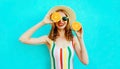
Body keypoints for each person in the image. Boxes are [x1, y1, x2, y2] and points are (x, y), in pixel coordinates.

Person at [19, 5, 89, 69]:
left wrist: (80, 38)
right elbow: (23, 39)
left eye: (64, 18)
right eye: (58, 18)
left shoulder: (73, 40)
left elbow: (85, 61)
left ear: (67, 20)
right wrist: (43, 22)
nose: (61, 21)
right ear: (54, 21)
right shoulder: (48, 39)